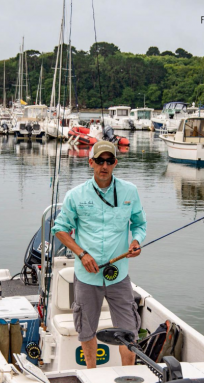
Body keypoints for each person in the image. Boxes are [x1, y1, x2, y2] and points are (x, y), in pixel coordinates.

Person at [51, 141, 147, 368]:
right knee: (85, 329)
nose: (104, 165)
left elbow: (139, 224)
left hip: (118, 274)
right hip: (87, 276)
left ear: (115, 163)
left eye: (109, 161)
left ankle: (130, 376)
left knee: (129, 331)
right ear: (90, 162)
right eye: (100, 161)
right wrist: (82, 254)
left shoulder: (129, 191)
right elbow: (59, 229)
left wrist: (136, 241)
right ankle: (92, 374)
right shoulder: (75, 195)